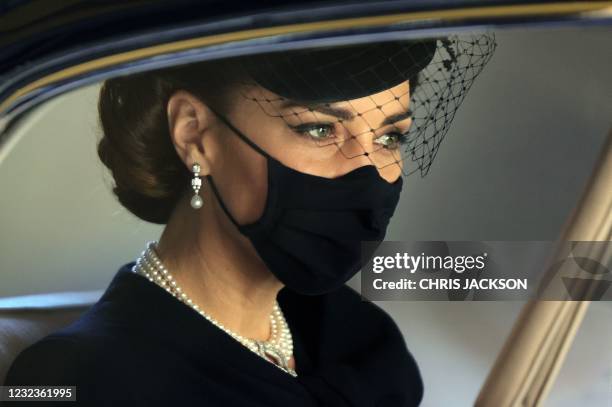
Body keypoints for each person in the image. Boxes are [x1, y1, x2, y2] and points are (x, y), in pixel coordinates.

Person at [3, 36, 495, 406]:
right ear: (195, 134)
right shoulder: (76, 379)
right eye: (320, 128)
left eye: (390, 138)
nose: (366, 173)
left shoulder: (359, 334)